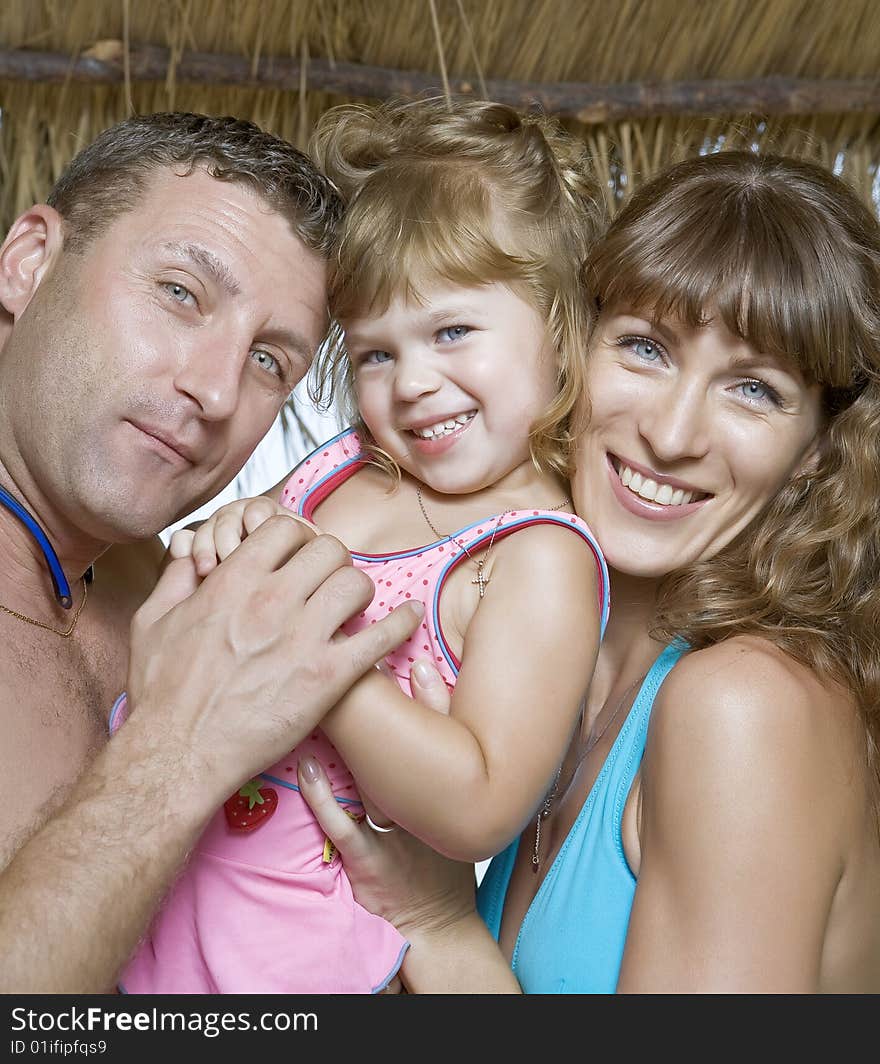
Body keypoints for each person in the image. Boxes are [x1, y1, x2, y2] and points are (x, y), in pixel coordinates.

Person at [301, 148, 880, 993]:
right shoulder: (551, 685)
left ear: (815, 451)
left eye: (753, 390)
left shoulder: (747, 707)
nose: (673, 434)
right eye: (645, 347)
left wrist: (440, 927)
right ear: (569, 344)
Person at [113, 96, 611, 994]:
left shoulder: (535, 555)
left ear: (560, 324)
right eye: (375, 353)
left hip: (292, 956)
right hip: (145, 894)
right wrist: (229, 531)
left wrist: (310, 654)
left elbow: (478, 804)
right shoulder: (342, 468)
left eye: (453, 331)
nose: (414, 383)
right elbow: (203, 568)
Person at [0, 111, 425, 993]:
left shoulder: (183, 598)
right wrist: (179, 747)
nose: (217, 388)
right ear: (27, 262)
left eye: (271, 360)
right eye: (181, 293)